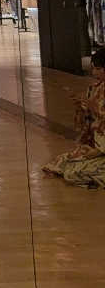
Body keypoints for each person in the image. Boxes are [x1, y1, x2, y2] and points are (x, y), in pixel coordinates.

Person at [43, 48, 105, 188]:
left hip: (102, 146)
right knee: (62, 162)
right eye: (93, 69)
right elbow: (87, 122)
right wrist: (82, 107)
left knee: (74, 173)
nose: (94, 73)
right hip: (97, 142)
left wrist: (100, 150)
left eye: (98, 69)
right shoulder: (94, 88)